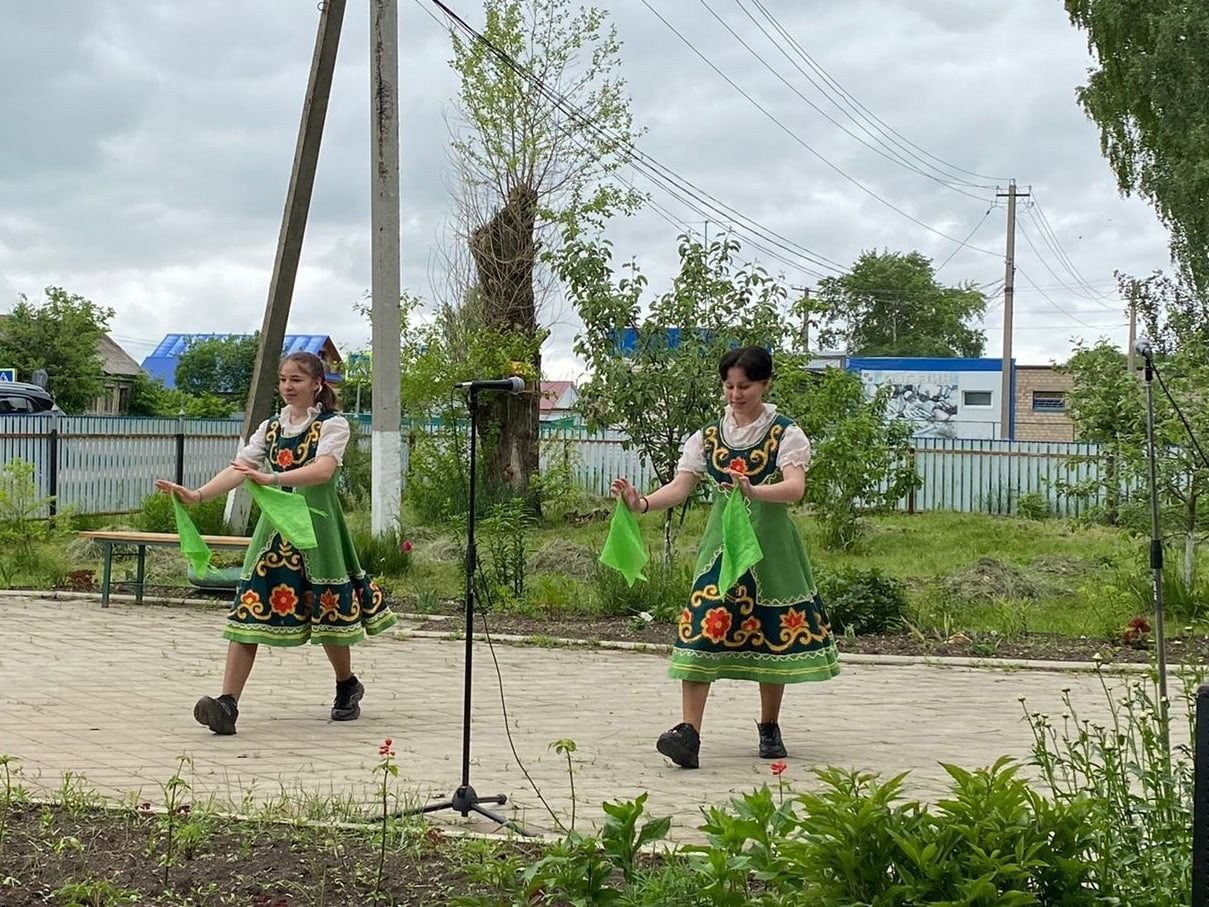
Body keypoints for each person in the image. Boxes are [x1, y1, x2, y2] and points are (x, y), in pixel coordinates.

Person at [611, 346, 840, 769]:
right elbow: (681, 487)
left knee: (773, 630)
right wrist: (640, 502)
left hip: (770, 549)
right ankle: (689, 733)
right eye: (729, 386)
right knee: (702, 625)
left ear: (765, 384)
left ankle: (769, 726)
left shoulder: (785, 434)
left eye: (745, 386)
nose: (735, 394)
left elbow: (795, 488)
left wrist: (754, 490)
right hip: (720, 549)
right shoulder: (708, 437)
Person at [155, 351, 396, 735]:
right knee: (248, 609)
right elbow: (241, 468)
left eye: (296, 380)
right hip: (274, 531)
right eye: (283, 379)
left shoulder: (333, 425)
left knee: (328, 611)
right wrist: (197, 496)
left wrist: (274, 480)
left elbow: (323, 470)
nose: (287, 386)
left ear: (317, 383)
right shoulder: (270, 427)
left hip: (317, 529)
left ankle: (346, 684)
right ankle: (227, 704)